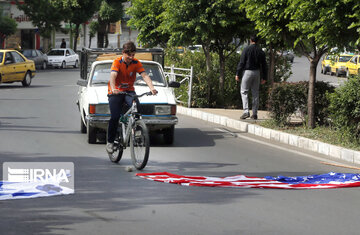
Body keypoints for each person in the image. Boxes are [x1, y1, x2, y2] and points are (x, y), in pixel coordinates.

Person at [106, 41, 158, 153]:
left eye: (133, 55)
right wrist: (114, 88)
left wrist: (152, 88)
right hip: (116, 91)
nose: (131, 57)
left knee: (137, 107)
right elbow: (113, 75)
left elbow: (144, 75)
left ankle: (137, 130)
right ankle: (110, 142)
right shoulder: (117, 62)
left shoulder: (136, 63)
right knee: (114, 117)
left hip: (129, 91)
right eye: (129, 55)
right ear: (123, 53)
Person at [235, 35, 267, 120]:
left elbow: (242, 62)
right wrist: (264, 77)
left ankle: (246, 111)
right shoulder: (260, 51)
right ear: (258, 41)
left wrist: (238, 73)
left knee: (244, 91)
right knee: (255, 92)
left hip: (247, 72)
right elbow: (264, 65)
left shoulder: (246, 49)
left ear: (250, 40)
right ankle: (255, 113)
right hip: (257, 72)